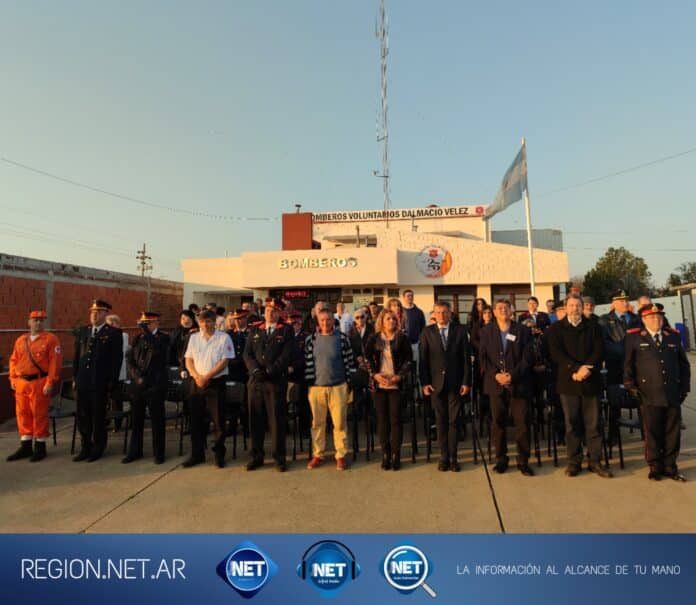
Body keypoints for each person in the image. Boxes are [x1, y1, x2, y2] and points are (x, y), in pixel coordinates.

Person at [624, 304, 690, 481]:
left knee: (672, 432)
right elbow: (628, 365)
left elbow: (684, 364)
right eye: (652, 317)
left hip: (672, 392)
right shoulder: (635, 338)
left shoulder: (673, 337)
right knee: (652, 432)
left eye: (659, 317)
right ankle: (655, 466)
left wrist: (685, 388)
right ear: (644, 320)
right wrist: (631, 386)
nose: (656, 320)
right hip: (648, 393)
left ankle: (670, 465)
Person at [547, 294, 611, 478]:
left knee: (593, 425)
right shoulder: (556, 329)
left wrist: (587, 369)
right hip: (569, 382)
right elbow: (556, 354)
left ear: (583, 307)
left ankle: (595, 461)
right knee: (572, 425)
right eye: (572, 305)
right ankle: (574, 461)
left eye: (578, 305)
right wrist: (575, 368)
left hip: (591, 381)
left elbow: (599, 351)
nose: (575, 309)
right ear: (565, 308)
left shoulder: (594, 327)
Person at [478, 299, 535, 475]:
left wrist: (512, 375)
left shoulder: (523, 331)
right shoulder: (486, 332)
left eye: (506, 308)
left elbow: (528, 357)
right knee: (498, 423)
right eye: (499, 308)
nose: (503, 310)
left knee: (522, 423)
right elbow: (483, 358)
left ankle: (523, 460)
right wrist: (496, 375)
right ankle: (501, 459)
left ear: (512, 311)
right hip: (496, 385)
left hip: (519, 384)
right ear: (493, 312)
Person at [243, 298, 295, 472]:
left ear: (279, 313)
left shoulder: (286, 330)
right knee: (255, 421)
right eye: (267, 310)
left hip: (275, 382)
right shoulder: (255, 328)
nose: (269, 313)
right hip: (256, 382)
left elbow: (287, 354)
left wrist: (271, 371)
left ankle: (279, 458)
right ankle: (256, 457)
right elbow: (247, 354)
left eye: (273, 311)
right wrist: (256, 371)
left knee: (276, 422)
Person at [418, 301, 471, 471]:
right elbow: (423, 360)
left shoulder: (460, 331)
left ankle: (454, 457)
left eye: (445, 312)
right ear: (434, 314)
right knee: (440, 422)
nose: (441, 315)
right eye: (438, 312)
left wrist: (465, 381)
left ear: (450, 313)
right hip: (435, 385)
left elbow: (465, 359)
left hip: (455, 384)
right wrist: (424, 383)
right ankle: (443, 456)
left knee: (454, 421)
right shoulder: (427, 332)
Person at [183, 309, 236, 468]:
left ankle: (219, 454)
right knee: (196, 421)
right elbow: (188, 360)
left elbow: (225, 361)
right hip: (196, 384)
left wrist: (206, 377)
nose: (205, 324)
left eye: (209, 321)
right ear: (199, 323)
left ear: (214, 322)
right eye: (202, 321)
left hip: (215, 383)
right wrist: (197, 376)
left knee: (218, 421)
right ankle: (197, 454)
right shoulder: (193, 338)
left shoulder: (224, 338)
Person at [7, 310, 63, 462]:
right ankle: (25, 446)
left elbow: (54, 363)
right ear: (29, 322)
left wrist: (50, 382)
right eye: (35, 320)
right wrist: (12, 378)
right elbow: (14, 360)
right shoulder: (21, 340)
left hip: (39, 382)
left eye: (41, 320)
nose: (38, 323)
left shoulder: (50, 339)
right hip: (21, 383)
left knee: (39, 414)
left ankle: (40, 446)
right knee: (22, 413)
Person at [304, 308, 356, 471]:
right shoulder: (310, 340)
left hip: (338, 386)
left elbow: (349, 362)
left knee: (339, 423)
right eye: (322, 320)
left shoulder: (342, 339)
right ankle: (318, 454)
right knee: (317, 423)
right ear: (318, 322)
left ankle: (340, 455)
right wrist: (310, 384)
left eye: (328, 320)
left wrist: (348, 384)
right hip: (317, 388)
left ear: (333, 321)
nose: (325, 323)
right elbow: (307, 363)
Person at [72, 300, 123, 462]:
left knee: (98, 416)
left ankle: (98, 447)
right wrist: (75, 377)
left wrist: (112, 381)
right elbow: (76, 356)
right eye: (92, 312)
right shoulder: (83, 331)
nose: (94, 315)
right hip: (83, 381)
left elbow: (116, 360)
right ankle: (85, 446)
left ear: (105, 313)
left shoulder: (114, 333)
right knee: (82, 415)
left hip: (100, 382)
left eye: (98, 312)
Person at [364, 309, 412, 470]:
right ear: (382, 321)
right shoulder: (374, 338)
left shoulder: (402, 339)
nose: (391, 321)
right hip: (379, 385)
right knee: (382, 420)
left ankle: (396, 454)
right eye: (387, 319)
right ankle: (386, 453)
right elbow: (367, 359)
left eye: (393, 319)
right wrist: (375, 375)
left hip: (396, 385)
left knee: (395, 420)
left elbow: (408, 360)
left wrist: (400, 376)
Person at [123, 312, 170, 464]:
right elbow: (130, 358)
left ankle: (159, 453)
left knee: (157, 421)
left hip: (155, 384)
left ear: (156, 323)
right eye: (143, 324)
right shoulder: (138, 338)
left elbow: (159, 352)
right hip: (139, 384)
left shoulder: (163, 338)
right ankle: (135, 451)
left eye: (148, 323)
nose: (145, 326)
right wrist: (136, 376)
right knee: (136, 420)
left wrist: (148, 333)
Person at [599, 289, 641, 439]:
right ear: (614, 303)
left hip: (636, 367)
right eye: (621, 301)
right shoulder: (604, 321)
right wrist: (625, 353)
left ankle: (646, 433)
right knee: (614, 402)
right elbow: (605, 343)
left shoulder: (636, 319)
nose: (625, 303)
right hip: (616, 366)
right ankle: (613, 435)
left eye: (626, 300)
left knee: (641, 398)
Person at [105, 314, 129, 431]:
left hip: (118, 374)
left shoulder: (123, 335)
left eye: (110, 324)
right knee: (106, 400)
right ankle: (106, 421)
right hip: (105, 374)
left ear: (116, 324)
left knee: (116, 400)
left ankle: (117, 424)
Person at [401, 289, 426, 355]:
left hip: (415, 344)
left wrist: (421, 340)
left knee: (415, 363)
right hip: (402, 344)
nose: (410, 297)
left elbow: (423, 327)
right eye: (408, 296)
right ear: (403, 298)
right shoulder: (400, 312)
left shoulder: (419, 312)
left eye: (412, 296)